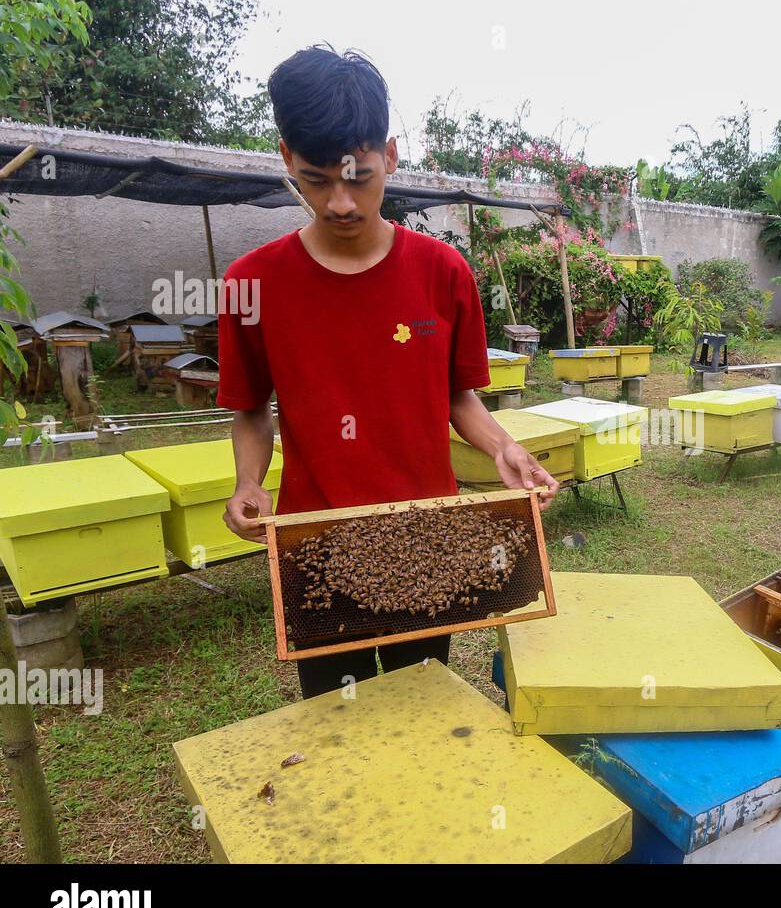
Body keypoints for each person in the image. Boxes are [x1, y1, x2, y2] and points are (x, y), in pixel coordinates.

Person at [218, 46, 558, 700]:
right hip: (316, 548)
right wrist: (247, 483)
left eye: (361, 177)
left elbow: (459, 397)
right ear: (288, 158)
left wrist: (503, 447)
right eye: (316, 180)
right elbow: (251, 409)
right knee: (338, 723)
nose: (341, 203)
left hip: (427, 538)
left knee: (418, 705)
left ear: (391, 157)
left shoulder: (444, 273)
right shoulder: (250, 284)